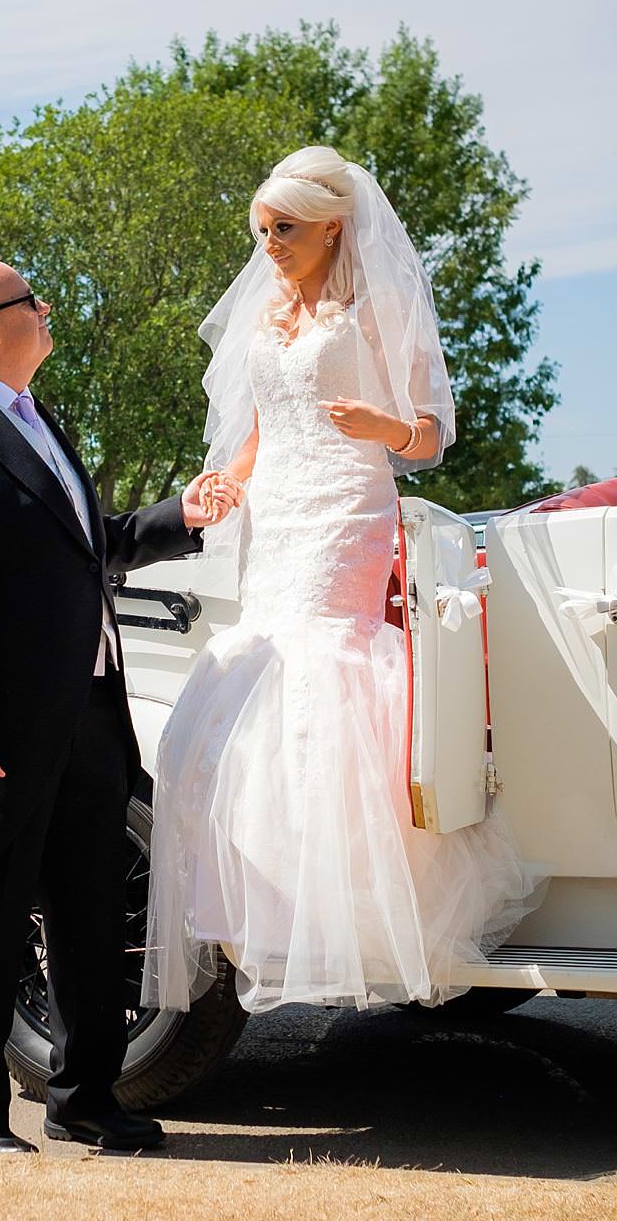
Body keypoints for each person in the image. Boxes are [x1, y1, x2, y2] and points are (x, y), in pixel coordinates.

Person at [142, 146, 546, 1015]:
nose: (271, 245)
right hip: (276, 512)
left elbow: (433, 434)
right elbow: (258, 429)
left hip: (347, 506)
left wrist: (386, 426)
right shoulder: (267, 315)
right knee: (260, 671)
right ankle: (275, 896)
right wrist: (227, 483)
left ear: (334, 225)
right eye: (262, 231)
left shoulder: (382, 303)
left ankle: (358, 898)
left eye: (285, 229)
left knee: (326, 668)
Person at [0, 261, 232, 1153]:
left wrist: (179, 515)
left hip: (91, 717)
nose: (47, 312)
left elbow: (92, 548)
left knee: (86, 910)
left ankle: (85, 1098)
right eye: (31, 302)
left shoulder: (42, 426)